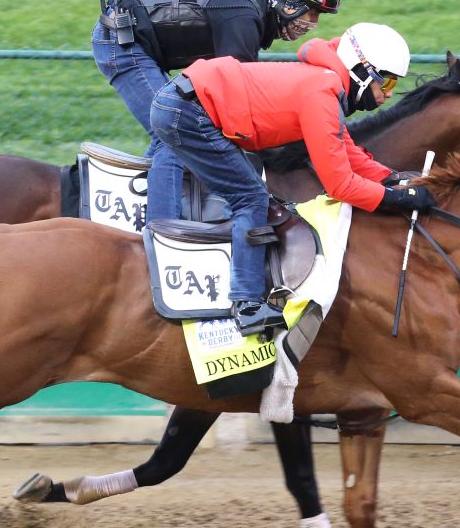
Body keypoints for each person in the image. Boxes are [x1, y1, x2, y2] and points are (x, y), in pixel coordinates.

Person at [148, 22, 437, 337]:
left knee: (251, 195)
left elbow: (346, 150)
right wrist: (397, 200)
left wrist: (392, 179)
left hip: (185, 104)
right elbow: (340, 186)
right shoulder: (322, 93)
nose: (390, 93)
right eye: (388, 81)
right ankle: (246, 306)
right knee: (251, 199)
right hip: (188, 112)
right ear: (362, 72)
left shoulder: (327, 84)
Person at [92, 0, 342, 220]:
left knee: (176, 127)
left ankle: (139, 202)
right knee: (172, 131)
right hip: (122, 43)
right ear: (288, 3)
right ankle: (160, 232)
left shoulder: (251, 11)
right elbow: (236, 103)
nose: (312, 25)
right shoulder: (243, 18)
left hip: (135, 39)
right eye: (312, 13)